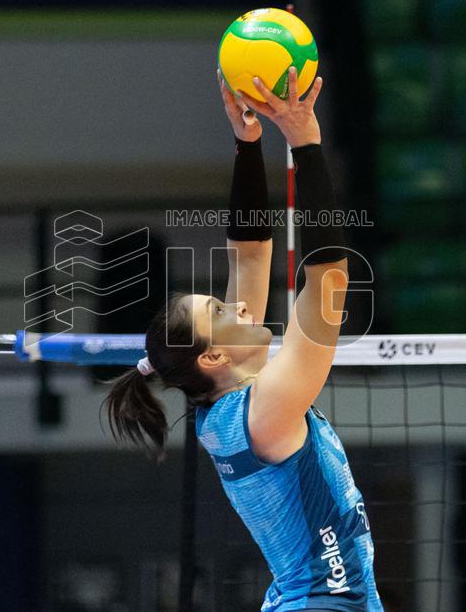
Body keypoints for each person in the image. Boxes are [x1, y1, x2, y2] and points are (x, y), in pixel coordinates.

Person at [106, 67, 383, 611]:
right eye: (219, 310)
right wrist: (305, 143)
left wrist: (248, 140)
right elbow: (329, 279)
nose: (236, 305)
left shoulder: (228, 409)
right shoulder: (265, 413)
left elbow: (252, 252)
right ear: (212, 356)